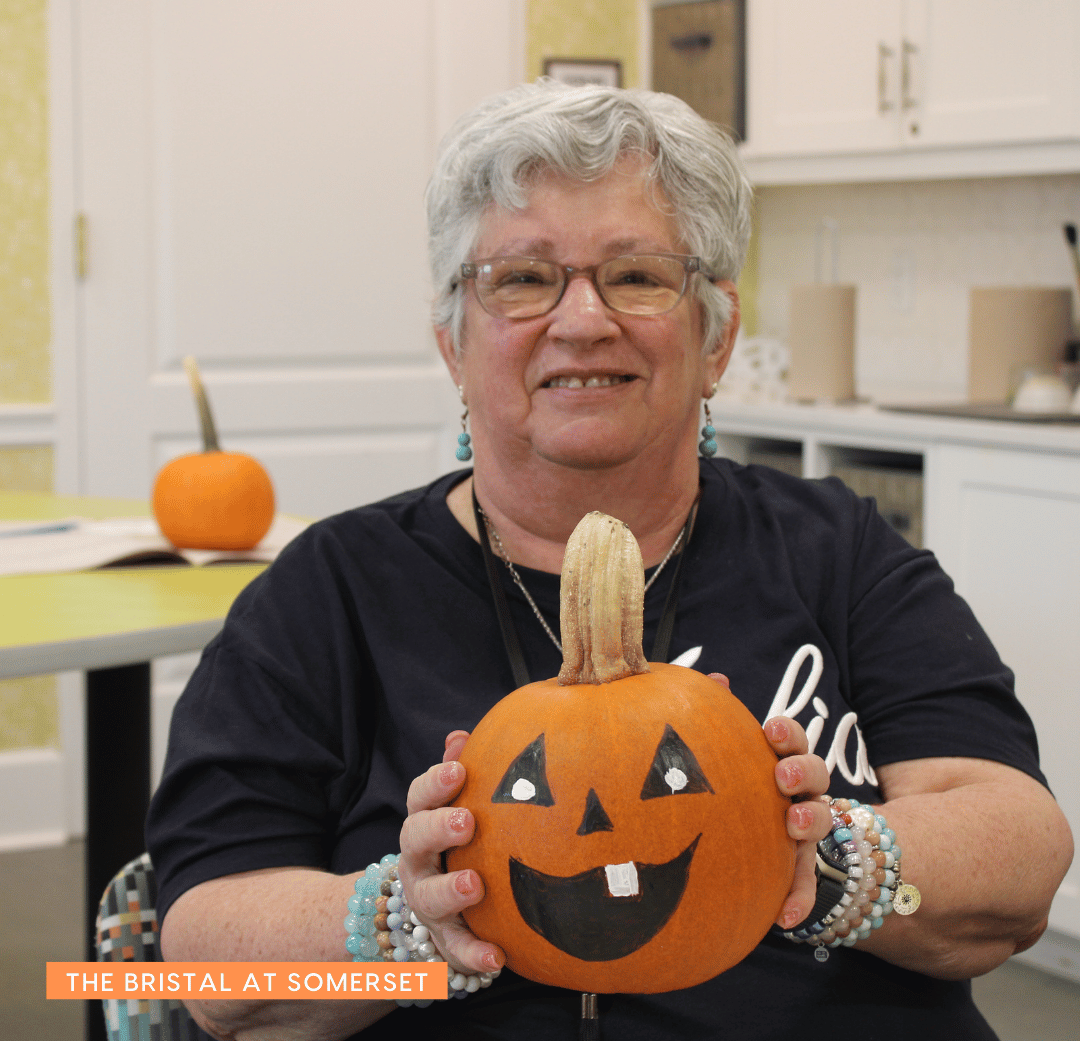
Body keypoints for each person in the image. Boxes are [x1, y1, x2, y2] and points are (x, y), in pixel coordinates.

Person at [147, 81, 1072, 1041]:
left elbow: (1021, 860)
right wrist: (404, 925)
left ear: (718, 339)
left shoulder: (836, 552)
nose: (583, 320)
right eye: (520, 278)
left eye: (636, 276)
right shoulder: (328, 592)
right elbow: (215, 969)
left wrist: (823, 854)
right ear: (451, 346)